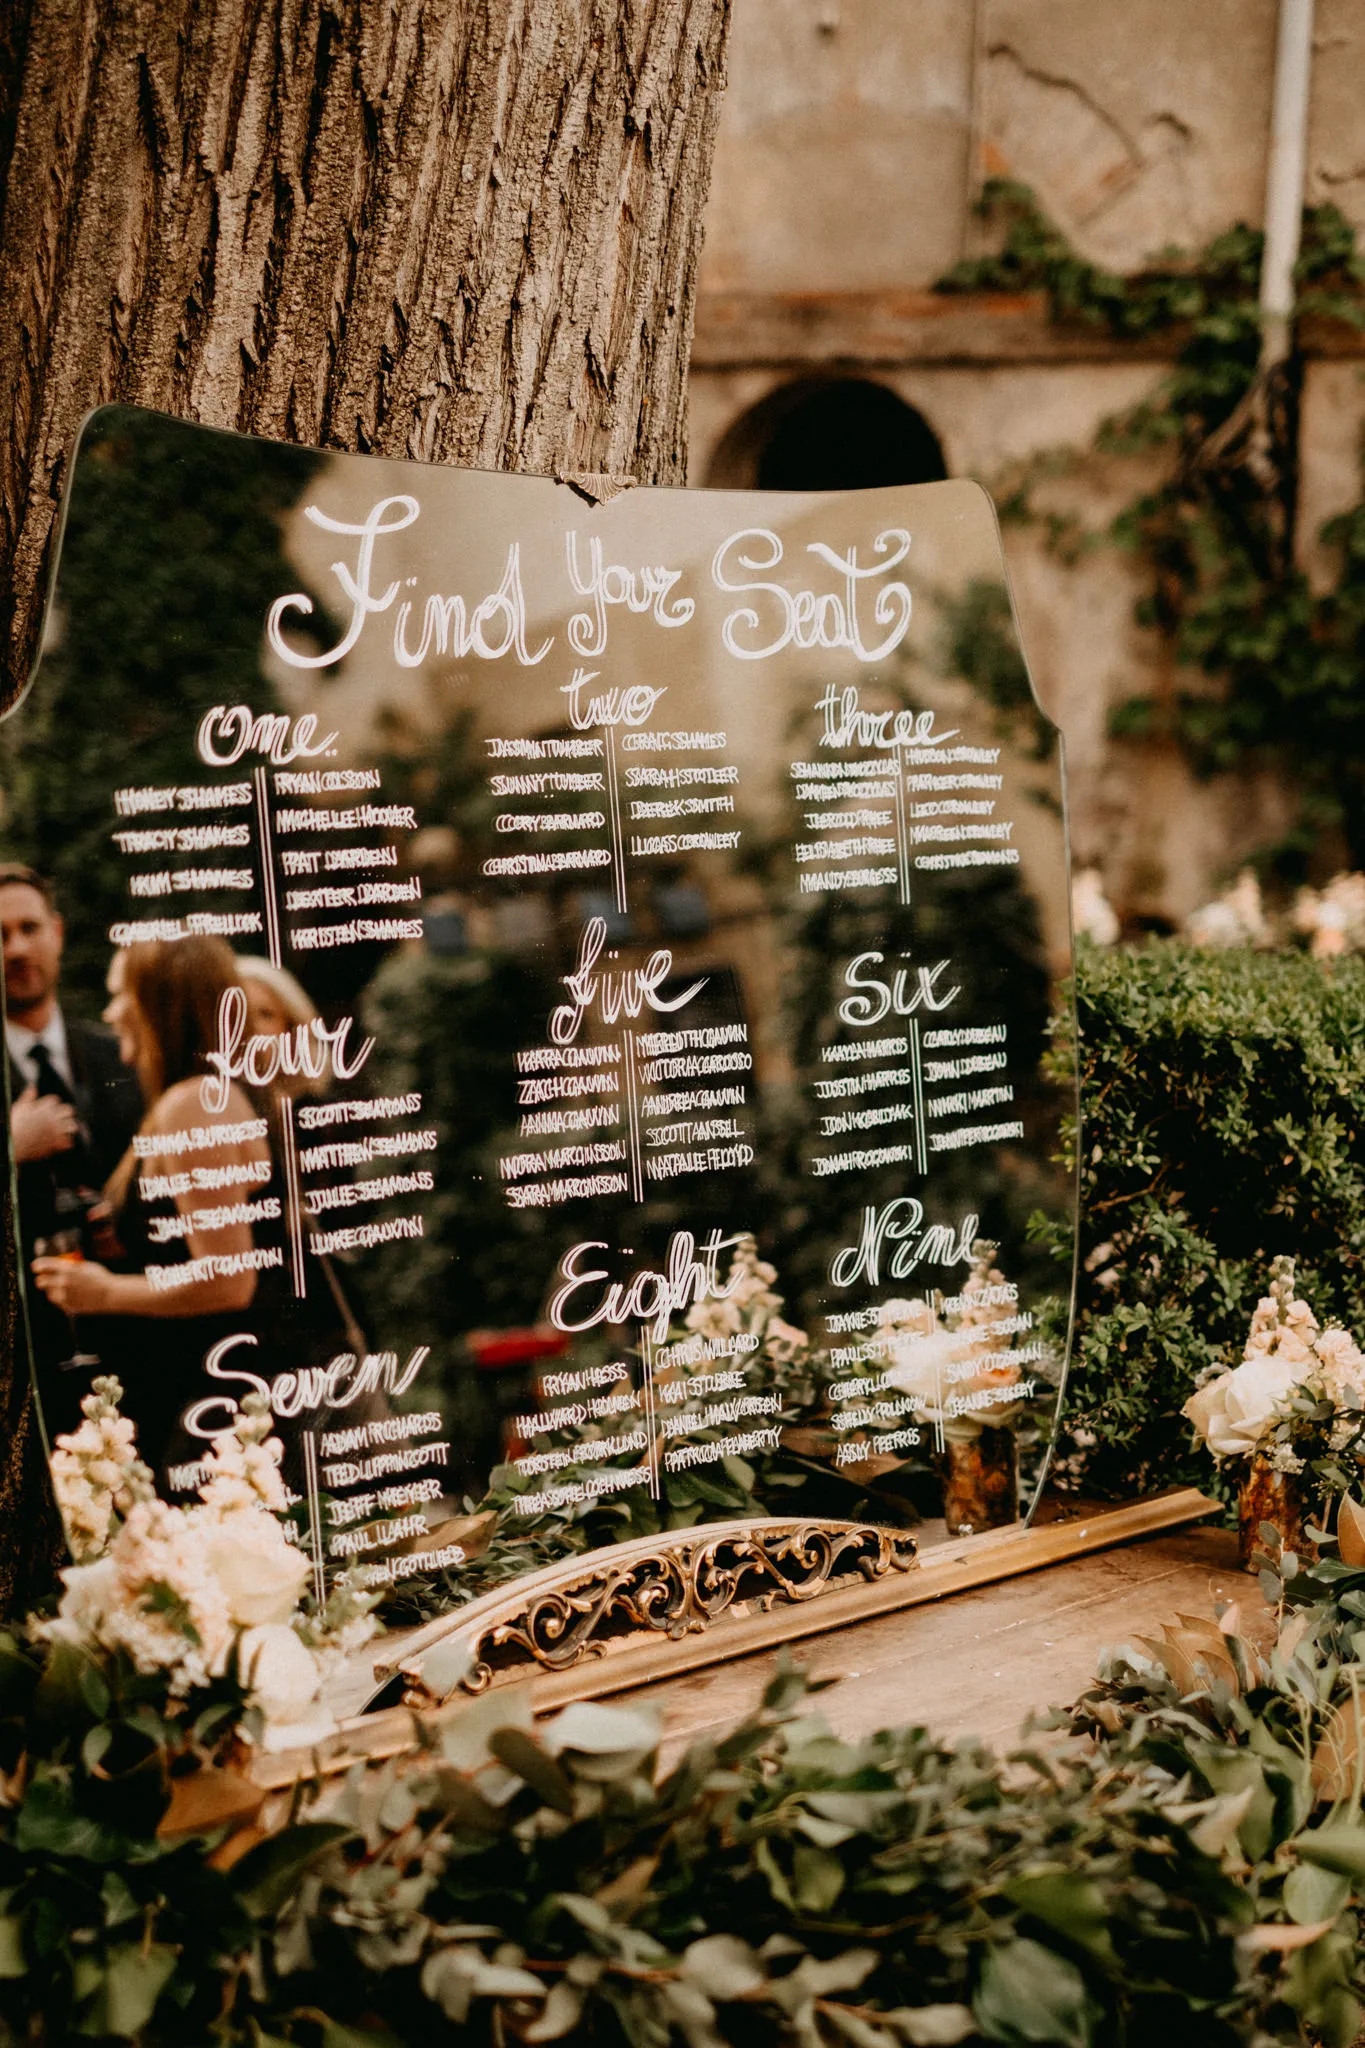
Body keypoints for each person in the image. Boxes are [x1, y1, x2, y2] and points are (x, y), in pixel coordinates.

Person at [30, 936, 278, 1481]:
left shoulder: (193, 1105)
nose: (109, 1010)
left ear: (157, 1002)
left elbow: (229, 1281)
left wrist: (103, 1292)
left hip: (226, 1397)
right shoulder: (198, 1097)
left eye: (121, 993)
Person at [1, 864, 141, 1432]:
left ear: (57, 933)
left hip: (138, 1351)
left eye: (29, 928)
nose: (16, 948)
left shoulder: (121, 1055)